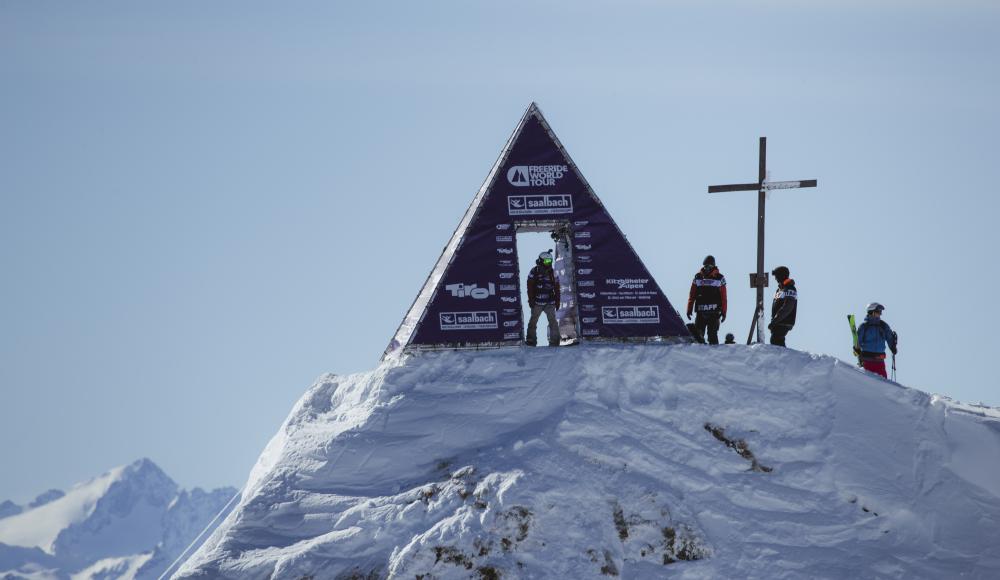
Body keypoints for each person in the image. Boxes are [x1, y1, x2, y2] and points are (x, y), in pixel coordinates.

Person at [686, 255, 727, 344]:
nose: (707, 268)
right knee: (698, 336)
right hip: (701, 312)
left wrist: (724, 312)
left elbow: (724, 297)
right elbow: (692, 295)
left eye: (709, 266)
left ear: (713, 266)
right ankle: (697, 354)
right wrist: (689, 309)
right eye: (706, 266)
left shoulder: (720, 278)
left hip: (714, 313)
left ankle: (715, 355)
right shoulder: (698, 277)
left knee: (712, 336)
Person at [854, 302, 898, 378]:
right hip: (867, 360)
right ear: (872, 312)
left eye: (880, 312)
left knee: (883, 384)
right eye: (878, 312)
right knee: (867, 383)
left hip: (879, 361)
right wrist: (857, 349)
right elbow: (858, 341)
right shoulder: (864, 326)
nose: (880, 314)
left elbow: (889, 337)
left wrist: (892, 346)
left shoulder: (883, 325)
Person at [526, 250, 560, 347]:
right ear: (541, 261)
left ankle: (555, 341)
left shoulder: (553, 273)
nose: (548, 263)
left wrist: (557, 301)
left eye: (550, 261)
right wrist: (531, 299)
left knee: (552, 321)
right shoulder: (534, 271)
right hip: (537, 302)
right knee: (533, 320)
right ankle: (531, 341)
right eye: (546, 261)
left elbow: (557, 287)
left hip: (550, 302)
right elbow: (529, 286)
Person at [767, 266, 797, 347]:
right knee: (776, 340)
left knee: (776, 340)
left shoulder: (790, 288)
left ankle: (783, 358)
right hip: (779, 322)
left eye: (776, 276)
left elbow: (788, 307)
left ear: (781, 276)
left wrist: (775, 321)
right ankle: (782, 358)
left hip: (784, 321)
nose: (775, 279)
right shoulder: (780, 289)